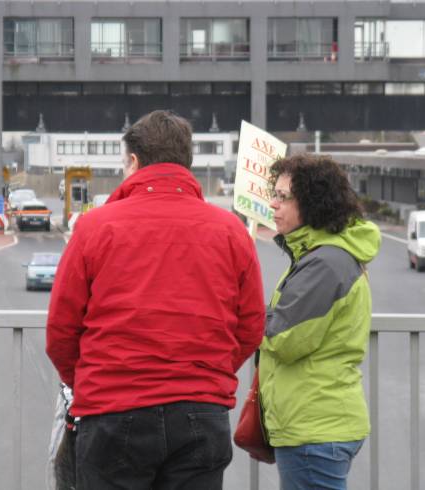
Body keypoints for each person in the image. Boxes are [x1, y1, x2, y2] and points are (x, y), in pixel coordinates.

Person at [46, 110, 265, 490]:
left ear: (133, 161)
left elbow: (61, 331)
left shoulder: (96, 227)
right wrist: (207, 371)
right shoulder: (231, 232)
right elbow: (250, 326)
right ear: (187, 161)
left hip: (113, 408)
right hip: (201, 410)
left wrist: (86, 381)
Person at [259, 154, 381, 490]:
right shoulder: (322, 255)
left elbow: (283, 339)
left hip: (315, 428)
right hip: (318, 422)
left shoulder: (325, 263)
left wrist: (253, 310)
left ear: (313, 203)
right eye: (275, 193)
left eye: (284, 196)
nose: (274, 203)